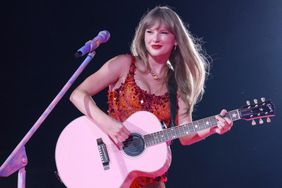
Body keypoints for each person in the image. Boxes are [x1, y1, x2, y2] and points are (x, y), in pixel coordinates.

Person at [70, 6, 233, 188]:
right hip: (113, 169)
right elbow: (77, 94)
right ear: (143, 35)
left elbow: (186, 136)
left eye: (163, 32)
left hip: (150, 177)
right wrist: (108, 124)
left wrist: (213, 127)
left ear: (176, 40)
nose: (155, 38)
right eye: (150, 31)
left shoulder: (178, 86)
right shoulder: (124, 65)